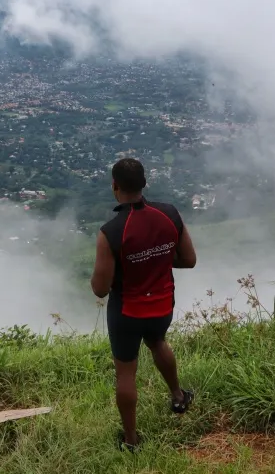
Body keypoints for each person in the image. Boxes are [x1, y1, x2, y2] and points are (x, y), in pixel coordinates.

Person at [90, 158, 197, 452]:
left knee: (126, 373)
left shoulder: (110, 232)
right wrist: (158, 260)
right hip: (162, 304)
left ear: (115, 186)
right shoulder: (170, 214)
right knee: (158, 342)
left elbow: (100, 289)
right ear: (144, 184)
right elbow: (188, 259)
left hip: (127, 310)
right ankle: (178, 396)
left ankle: (131, 441)